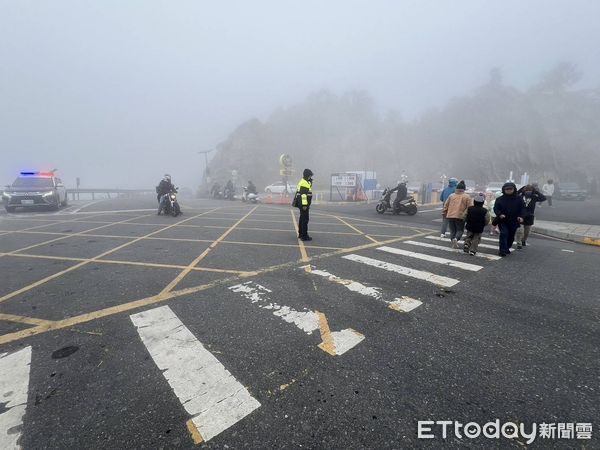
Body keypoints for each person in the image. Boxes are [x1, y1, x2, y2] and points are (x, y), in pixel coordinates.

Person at [493, 182, 525, 257]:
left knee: (511, 236)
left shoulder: (519, 198)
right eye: (507, 189)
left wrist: (521, 216)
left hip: (514, 220)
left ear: (514, 189)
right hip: (503, 220)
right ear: (504, 190)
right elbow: (496, 208)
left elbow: (523, 208)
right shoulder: (500, 199)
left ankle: (507, 247)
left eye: (511, 189)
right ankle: (502, 250)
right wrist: (500, 214)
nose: (509, 190)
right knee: (504, 233)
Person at [442, 180, 472, 248]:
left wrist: (444, 213)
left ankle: (453, 241)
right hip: (460, 216)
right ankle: (456, 239)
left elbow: (446, 205)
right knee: (460, 230)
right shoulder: (467, 196)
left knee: (452, 230)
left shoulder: (451, 196)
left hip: (450, 216)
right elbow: (469, 208)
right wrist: (469, 217)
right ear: (464, 189)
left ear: (457, 188)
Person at [516, 184, 546, 249]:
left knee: (527, 232)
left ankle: (523, 240)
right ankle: (519, 243)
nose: (528, 192)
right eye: (527, 190)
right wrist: (522, 189)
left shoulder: (534, 197)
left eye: (530, 190)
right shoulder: (520, 196)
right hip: (520, 216)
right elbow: (515, 194)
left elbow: (543, 198)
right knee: (519, 230)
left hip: (529, 216)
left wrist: (536, 191)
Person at [294, 169, 313, 241]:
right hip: (304, 205)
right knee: (305, 220)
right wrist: (305, 205)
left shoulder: (304, 182)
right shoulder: (304, 183)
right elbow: (304, 195)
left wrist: (310, 182)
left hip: (302, 204)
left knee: (302, 218)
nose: (311, 177)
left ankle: (301, 234)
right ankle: (304, 236)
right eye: (310, 175)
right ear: (308, 175)